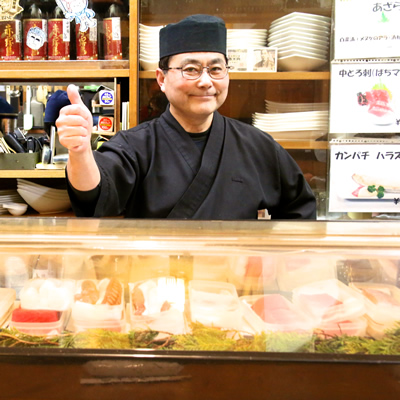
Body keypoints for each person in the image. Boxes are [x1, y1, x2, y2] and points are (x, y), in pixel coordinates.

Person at [56, 14, 316, 220]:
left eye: (216, 69)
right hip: (156, 282)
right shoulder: (135, 145)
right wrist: (79, 152)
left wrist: (274, 265)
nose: (205, 81)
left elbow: (300, 210)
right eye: (190, 69)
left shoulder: (258, 145)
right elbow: (94, 195)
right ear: (161, 78)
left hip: (234, 283)